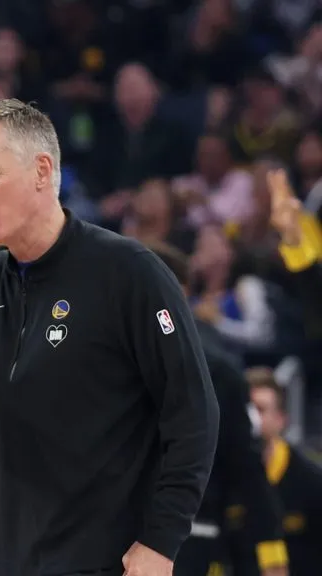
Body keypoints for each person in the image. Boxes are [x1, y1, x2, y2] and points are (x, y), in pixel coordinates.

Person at [0, 99, 220, 576]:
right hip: (7, 559)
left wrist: (160, 542)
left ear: (41, 170)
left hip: (108, 559)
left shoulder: (129, 272)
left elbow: (193, 414)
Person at [145, 241, 288, 576]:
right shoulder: (104, 355)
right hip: (107, 529)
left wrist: (272, 557)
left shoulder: (217, 371)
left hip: (188, 535)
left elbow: (246, 467)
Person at [247, 369, 322, 576]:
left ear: (281, 419)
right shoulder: (219, 476)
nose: (251, 418)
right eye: (246, 409)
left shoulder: (312, 483)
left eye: (260, 409)